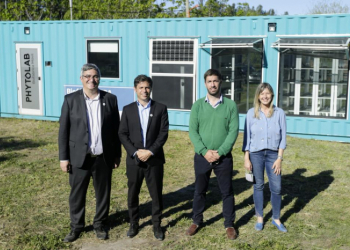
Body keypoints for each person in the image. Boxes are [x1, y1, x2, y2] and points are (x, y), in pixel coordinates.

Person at [58, 63, 121, 242]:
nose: (91, 80)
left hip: (103, 157)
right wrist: (64, 158)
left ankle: (100, 224)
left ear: (99, 78)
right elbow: (63, 131)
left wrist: (117, 154)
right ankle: (76, 226)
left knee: (103, 193)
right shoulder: (70, 100)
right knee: (77, 194)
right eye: (87, 76)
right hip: (79, 157)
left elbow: (116, 129)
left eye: (94, 76)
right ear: (81, 79)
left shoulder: (110, 99)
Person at [186, 69, 239, 240]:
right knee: (200, 190)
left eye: (215, 81)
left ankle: (229, 224)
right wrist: (204, 151)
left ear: (221, 82)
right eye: (209, 81)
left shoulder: (230, 105)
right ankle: (196, 221)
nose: (213, 84)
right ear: (205, 83)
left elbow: (233, 132)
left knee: (227, 192)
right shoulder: (198, 105)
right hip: (202, 156)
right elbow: (193, 131)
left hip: (223, 158)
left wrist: (220, 152)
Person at [118, 75, 169, 241]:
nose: (144, 91)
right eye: (141, 88)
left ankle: (156, 224)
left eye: (147, 87)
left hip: (154, 159)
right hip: (134, 160)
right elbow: (122, 134)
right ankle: (133, 223)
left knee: (156, 194)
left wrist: (150, 151)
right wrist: (135, 151)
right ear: (135, 89)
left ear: (151, 89)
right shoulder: (128, 109)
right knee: (133, 193)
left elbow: (163, 134)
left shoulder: (160, 108)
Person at [242, 82, 287, 232]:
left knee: (277, 187)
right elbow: (247, 138)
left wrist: (279, 159)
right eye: (262, 94)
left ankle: (276, 218)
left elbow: (283, 138)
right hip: (256, 154)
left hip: (273, 154)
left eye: (267, 93)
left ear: (272, 95)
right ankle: (260, 217)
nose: (265, 96)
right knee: (258, 185)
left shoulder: (279, 113)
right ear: (258, 96)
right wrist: (246, 158)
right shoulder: (251, 113)